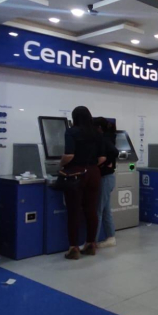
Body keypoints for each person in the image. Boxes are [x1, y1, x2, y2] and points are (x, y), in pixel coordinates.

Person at [60, 106, 105, 260]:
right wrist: (89, 166)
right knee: (91, 210)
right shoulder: (97, 133)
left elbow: (69, 155)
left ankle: (73, 248)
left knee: (74, 211)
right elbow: (102, 158)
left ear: (74, 117)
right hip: (94, 173)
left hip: (76, 174)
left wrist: (60, 164)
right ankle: (90, 244)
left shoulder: (71, 132)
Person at [93, 117, 118, 248]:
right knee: (106, 210)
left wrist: (102, 163)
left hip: (105, 179)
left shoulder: (104, 139)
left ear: (98, 128)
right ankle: (110, 237)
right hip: (109, 178)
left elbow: (114, 152)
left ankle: (92, 242)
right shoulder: (109, 137)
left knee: (97, 210)